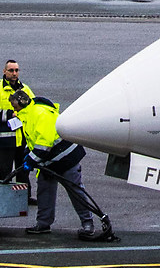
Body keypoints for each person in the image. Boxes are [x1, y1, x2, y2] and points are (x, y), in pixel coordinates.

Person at [15, 97, 104, 240]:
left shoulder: (39, 113)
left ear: (20, 105)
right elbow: (33, 138)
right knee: (44, 191)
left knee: (75, 191)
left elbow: (45, 142)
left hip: (66, 159)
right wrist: (28, 153)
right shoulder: (28, 114)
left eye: (14, 108)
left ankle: (88, 224)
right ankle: (43, 223)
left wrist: (31, 160)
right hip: (48, 162)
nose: (14, 112)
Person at [0, 64, 32, 187]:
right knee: (6, 173)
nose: (14, 73)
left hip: (22, 139)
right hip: (5, 140)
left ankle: (24, 197)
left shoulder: (25, 89)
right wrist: (13, 114)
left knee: (23, 171)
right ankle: (6, 200)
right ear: (4, 71)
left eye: (16, 70)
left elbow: (33, 108)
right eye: (11, 70)